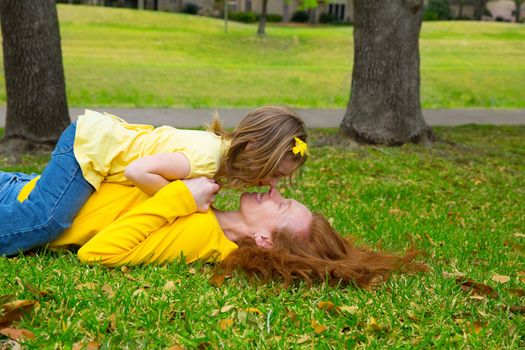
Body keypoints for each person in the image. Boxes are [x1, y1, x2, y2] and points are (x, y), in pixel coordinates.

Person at [8, 173, 423, 288]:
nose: (274, 191)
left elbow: (98, 253)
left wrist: (180, 198)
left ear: (263, 240)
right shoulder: (215, 213)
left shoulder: (202, 240)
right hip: (35, 182)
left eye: (281, 205)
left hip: (18, 207)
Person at [0, 106, 308, 256]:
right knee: (47, 219)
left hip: (90, 154)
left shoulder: (216, 162)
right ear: (255, 152)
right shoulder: (205, 158)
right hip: (90, 147)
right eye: (275, 174)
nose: (272, 186)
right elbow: (138, 172)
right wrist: (182, 198)